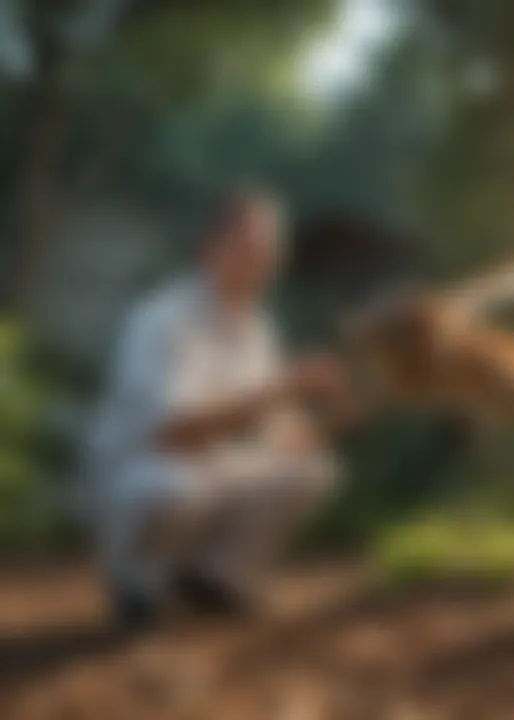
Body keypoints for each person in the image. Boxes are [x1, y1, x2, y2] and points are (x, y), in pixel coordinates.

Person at [87, 188, 353, 630]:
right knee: (171, 487)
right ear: (209, 246)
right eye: (251, 247)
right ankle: (138, 584)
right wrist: (286, 386)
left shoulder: (257, 326)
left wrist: (336, 414)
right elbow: (172, 432)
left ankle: (215, 582)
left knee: (313, 471)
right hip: (142, 471)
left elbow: (279, 435)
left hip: (210, 469)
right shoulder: (162, 319)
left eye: (272, 251)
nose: (264, 262)